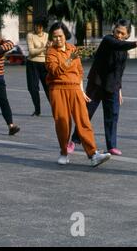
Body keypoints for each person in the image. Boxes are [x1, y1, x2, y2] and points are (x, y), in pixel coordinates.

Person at [45, 22, 111, 167]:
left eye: (60, 36)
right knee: (63, 123)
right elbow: (55, 71)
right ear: (51, 37)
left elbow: (79, 71)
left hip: (75, 88)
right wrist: (69, 59)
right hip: (58, 89)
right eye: (54, 37)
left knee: (83, 121)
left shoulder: (72, 48)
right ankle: (63, 152)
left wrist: (81, 91)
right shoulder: (50, 53)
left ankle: (93, 154)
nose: (58, 39)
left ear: (65, 35)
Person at [68, 19, 137, 156]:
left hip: (112, 86)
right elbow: (117, 44)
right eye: (117, 31)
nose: (119, 35)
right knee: (86, 113)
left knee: (112, 116)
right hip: (97, 84)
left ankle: (111, 146)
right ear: (114, 30)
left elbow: (119, 72)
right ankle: (74, 140)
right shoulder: (108, 40)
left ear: (128, 34)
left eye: (123, 33)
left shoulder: (124, 50)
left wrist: (120, 90)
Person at [26, 15, 50, 116]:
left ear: (43, 27)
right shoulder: (30, 35)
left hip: (45, 64)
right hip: (32, 63)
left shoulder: (48, 36)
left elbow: (50, 51)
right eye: (36, 26)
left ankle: (56, 108)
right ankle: (37, 110)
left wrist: (43, 50)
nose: (37, 28)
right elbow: (31, 52)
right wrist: (44, 48)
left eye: (40, 26)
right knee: (33, 88)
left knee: (48, 87)